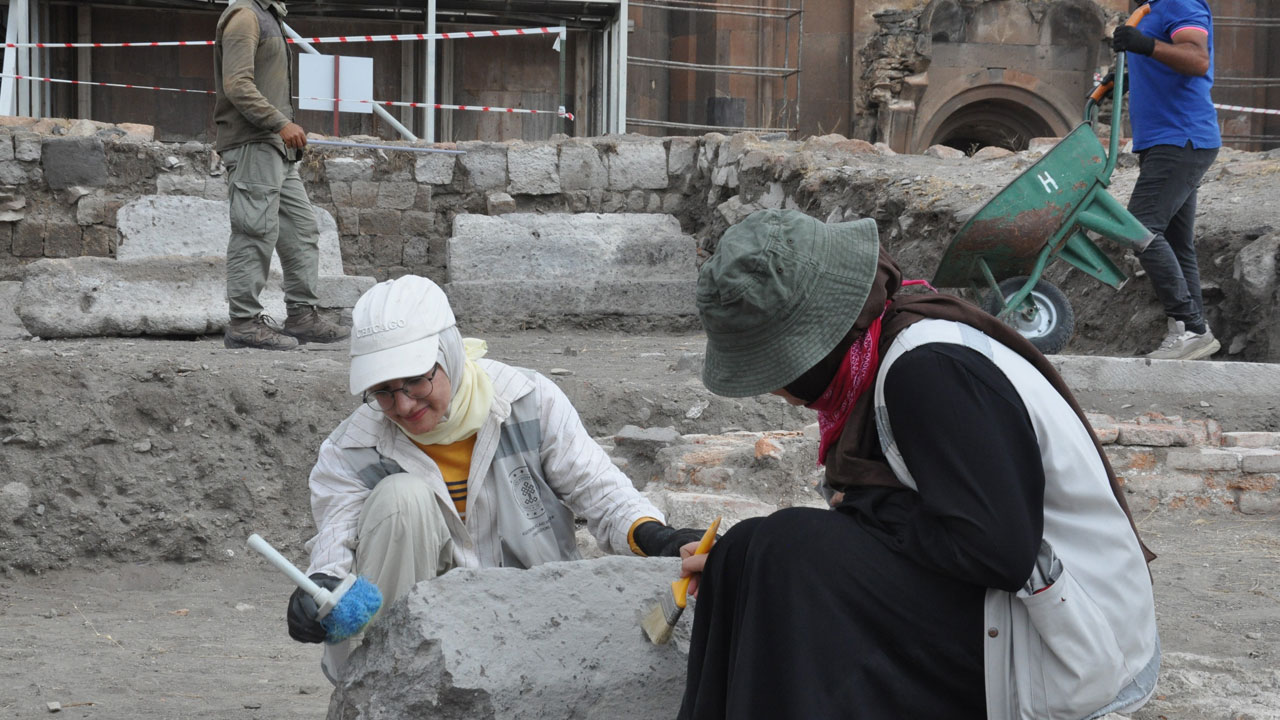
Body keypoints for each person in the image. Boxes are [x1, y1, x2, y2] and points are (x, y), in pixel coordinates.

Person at [678, 209, 1159, 719]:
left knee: (786, 548)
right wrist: (743, 564)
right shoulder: (882, 345)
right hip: (1012, 608)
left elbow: (1002, 552)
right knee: (754, 551)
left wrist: (863, 510)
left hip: (1069, 642)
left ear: (816, 342)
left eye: (772, 366)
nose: (773, 387)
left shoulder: (926, 371)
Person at [285, 275, 702, 683]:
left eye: (415, 380)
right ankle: (385, 682)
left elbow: (602, 493)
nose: (404, 403)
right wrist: (320, 594)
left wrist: (657, 537)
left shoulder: (528, 401)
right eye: (383, 391)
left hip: (532, 625)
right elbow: (335, 546)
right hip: (417, 642)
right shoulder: (351, 449)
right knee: (401, 497)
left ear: (448, 353)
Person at [214, 0, 348, 350]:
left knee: (301, 228)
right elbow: (238, 85)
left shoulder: (268, 16)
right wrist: (280, 123)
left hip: (275, 147)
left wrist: (280, 130)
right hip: (253, 142)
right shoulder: (245, 16)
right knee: (254, 228)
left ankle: (303, 316)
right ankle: (243, 322)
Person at [1112, 0, 1221, 360]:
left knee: (1140, 226)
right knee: (1176, 242)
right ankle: (1193, 333)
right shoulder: (1154, 9)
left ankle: (1190, 326)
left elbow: (1196, 59)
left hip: (1180, 139)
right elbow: (1167, 62)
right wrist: (1131, 75)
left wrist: (1144, 46)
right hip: (1170, 140)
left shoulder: (1179, 2)